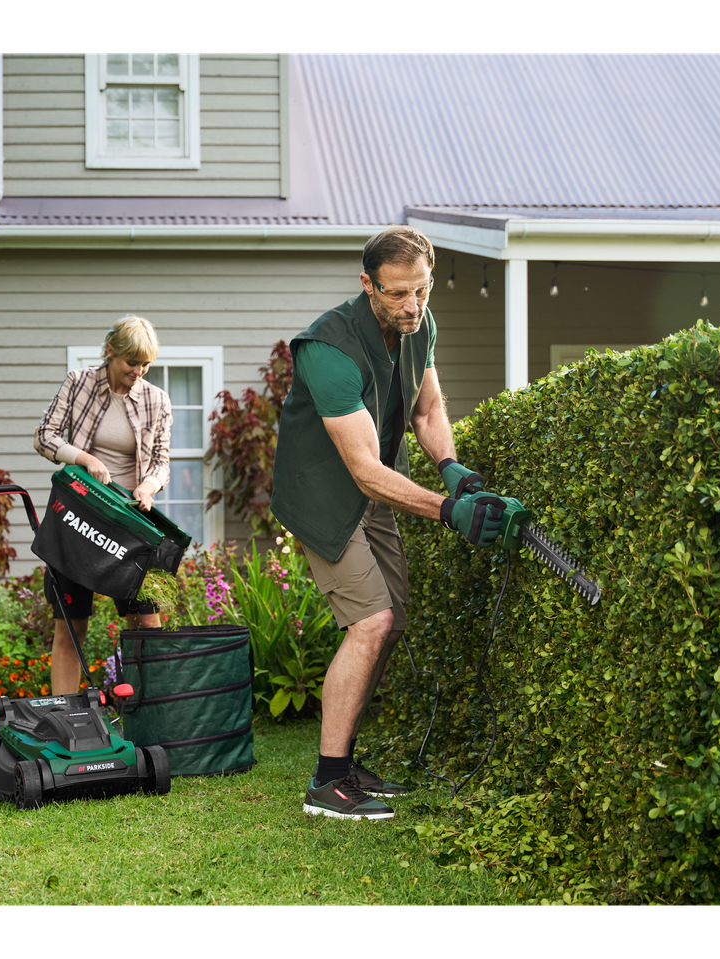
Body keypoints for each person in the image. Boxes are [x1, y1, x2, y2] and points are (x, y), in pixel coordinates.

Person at [271, 226, 513, 820]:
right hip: (325, 497)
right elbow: (362, 468)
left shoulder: (418, 328)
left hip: (378, 493)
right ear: (368, 285)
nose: (412, 306)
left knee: (392, 621)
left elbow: (427, 408)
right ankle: (326, 785)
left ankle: (347, 763)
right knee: (371, 622)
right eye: (398, 294)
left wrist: (452, 467)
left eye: (422, 292)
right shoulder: (327, 348)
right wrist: (448, 510)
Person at [33, 315, 172, 694]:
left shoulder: (156, 400)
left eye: (145, 365)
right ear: (110, 351)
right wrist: (82, 458)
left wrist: (148, 484)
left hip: (132, 527)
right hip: (79, 523)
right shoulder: (78, 384)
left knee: (146, 625)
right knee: (71, 627)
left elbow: (162, 460)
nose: (138, 372)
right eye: (132, 362)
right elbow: (43, 436)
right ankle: (66, 719)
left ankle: (147, 715)